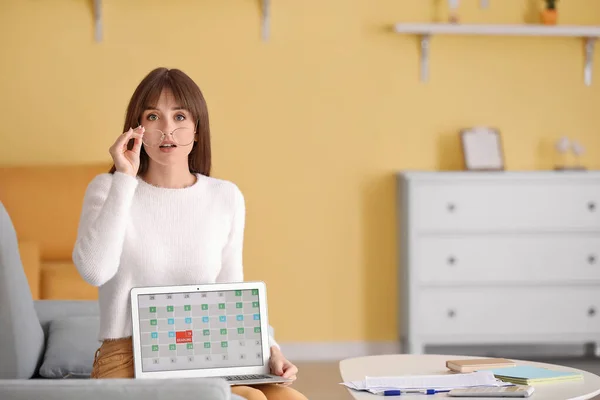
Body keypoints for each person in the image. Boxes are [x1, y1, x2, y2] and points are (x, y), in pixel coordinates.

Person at [72, 67, 307, 400]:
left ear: (197, 130)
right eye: (153, 116)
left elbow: (231, 289)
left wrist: (270, 349)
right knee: (249, 398)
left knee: (290, 398)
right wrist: (125, 178)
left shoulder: (225, 196)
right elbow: (94, 271)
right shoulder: (108, 188)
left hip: (205, 345)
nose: (167, 130)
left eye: (180, 116)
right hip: (129, 354)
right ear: (137, 129)